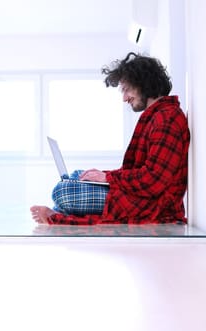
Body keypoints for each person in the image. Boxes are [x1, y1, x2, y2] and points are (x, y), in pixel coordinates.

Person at [30, 52, 190, 225]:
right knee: (78, 176)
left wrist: (107, 178)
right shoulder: (158, 116)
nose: (124, 98)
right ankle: (60, 212)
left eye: (127, 89)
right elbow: (144, 173)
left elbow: (153, 181)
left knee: (63, 192)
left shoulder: (166, 119)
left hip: (153, 204)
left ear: (144, 83)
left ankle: (58, 215)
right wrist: (103, 175)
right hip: (142, 196)